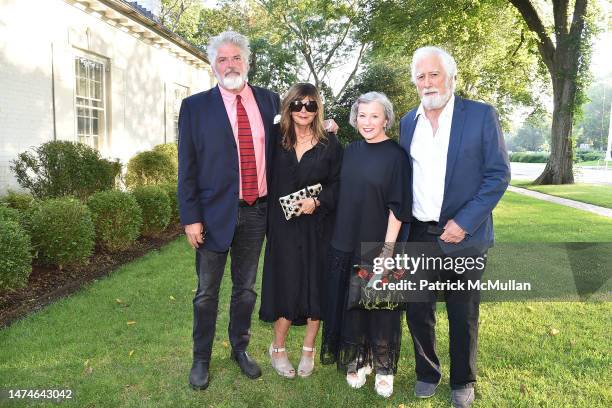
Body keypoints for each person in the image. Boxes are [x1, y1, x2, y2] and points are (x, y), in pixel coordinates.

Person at [398, 46, 510, 408]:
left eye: (434, 74)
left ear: (450, 78)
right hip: (417, 233)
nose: (427, 82)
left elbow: (497, 175)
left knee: (463, 313)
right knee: (417, 310)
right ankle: (427, 373)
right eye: (421, 76)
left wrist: (464, 223)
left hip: (463, 235)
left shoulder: (479, 116)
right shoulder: (407, 122)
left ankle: (463, 380)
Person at [178, 31, 280, 390]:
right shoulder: (195, 107)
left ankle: (240, 349)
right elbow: (187, 166)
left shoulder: (270, 102)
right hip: (212, 215)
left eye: (236, 57)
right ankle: (200, 358)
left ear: (247, 62)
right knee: (207, 292)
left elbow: (293, 142)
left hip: (257, 212)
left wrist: (325, 129)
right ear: (213, 66)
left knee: (246, 289)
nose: (230, 64)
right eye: (222, 59)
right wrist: (190, 217)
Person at [321, 92, 412, 398]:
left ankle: (384, 368)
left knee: (381, 307)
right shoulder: (351, 151)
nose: (368, 122)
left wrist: (387, 250)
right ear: (354, 118)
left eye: (375, 116)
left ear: (386, 118)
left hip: (379, 243)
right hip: (346, 239)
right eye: (362, 115)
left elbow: (398, 207)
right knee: (354, 305)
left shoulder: (396, 156)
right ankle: (359, 360)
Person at [259, 83, 343, 379]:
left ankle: (309, 350)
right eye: (297, 104)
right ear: (288, 107)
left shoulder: (329, 143)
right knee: (286, 283)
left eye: (310, 105)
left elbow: (338, 183)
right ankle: (277, 348)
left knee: (315, 284)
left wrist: (317, 201)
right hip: (282, 227)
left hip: (319, 226)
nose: (303, 110)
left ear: (318, 108)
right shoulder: (274, 138)